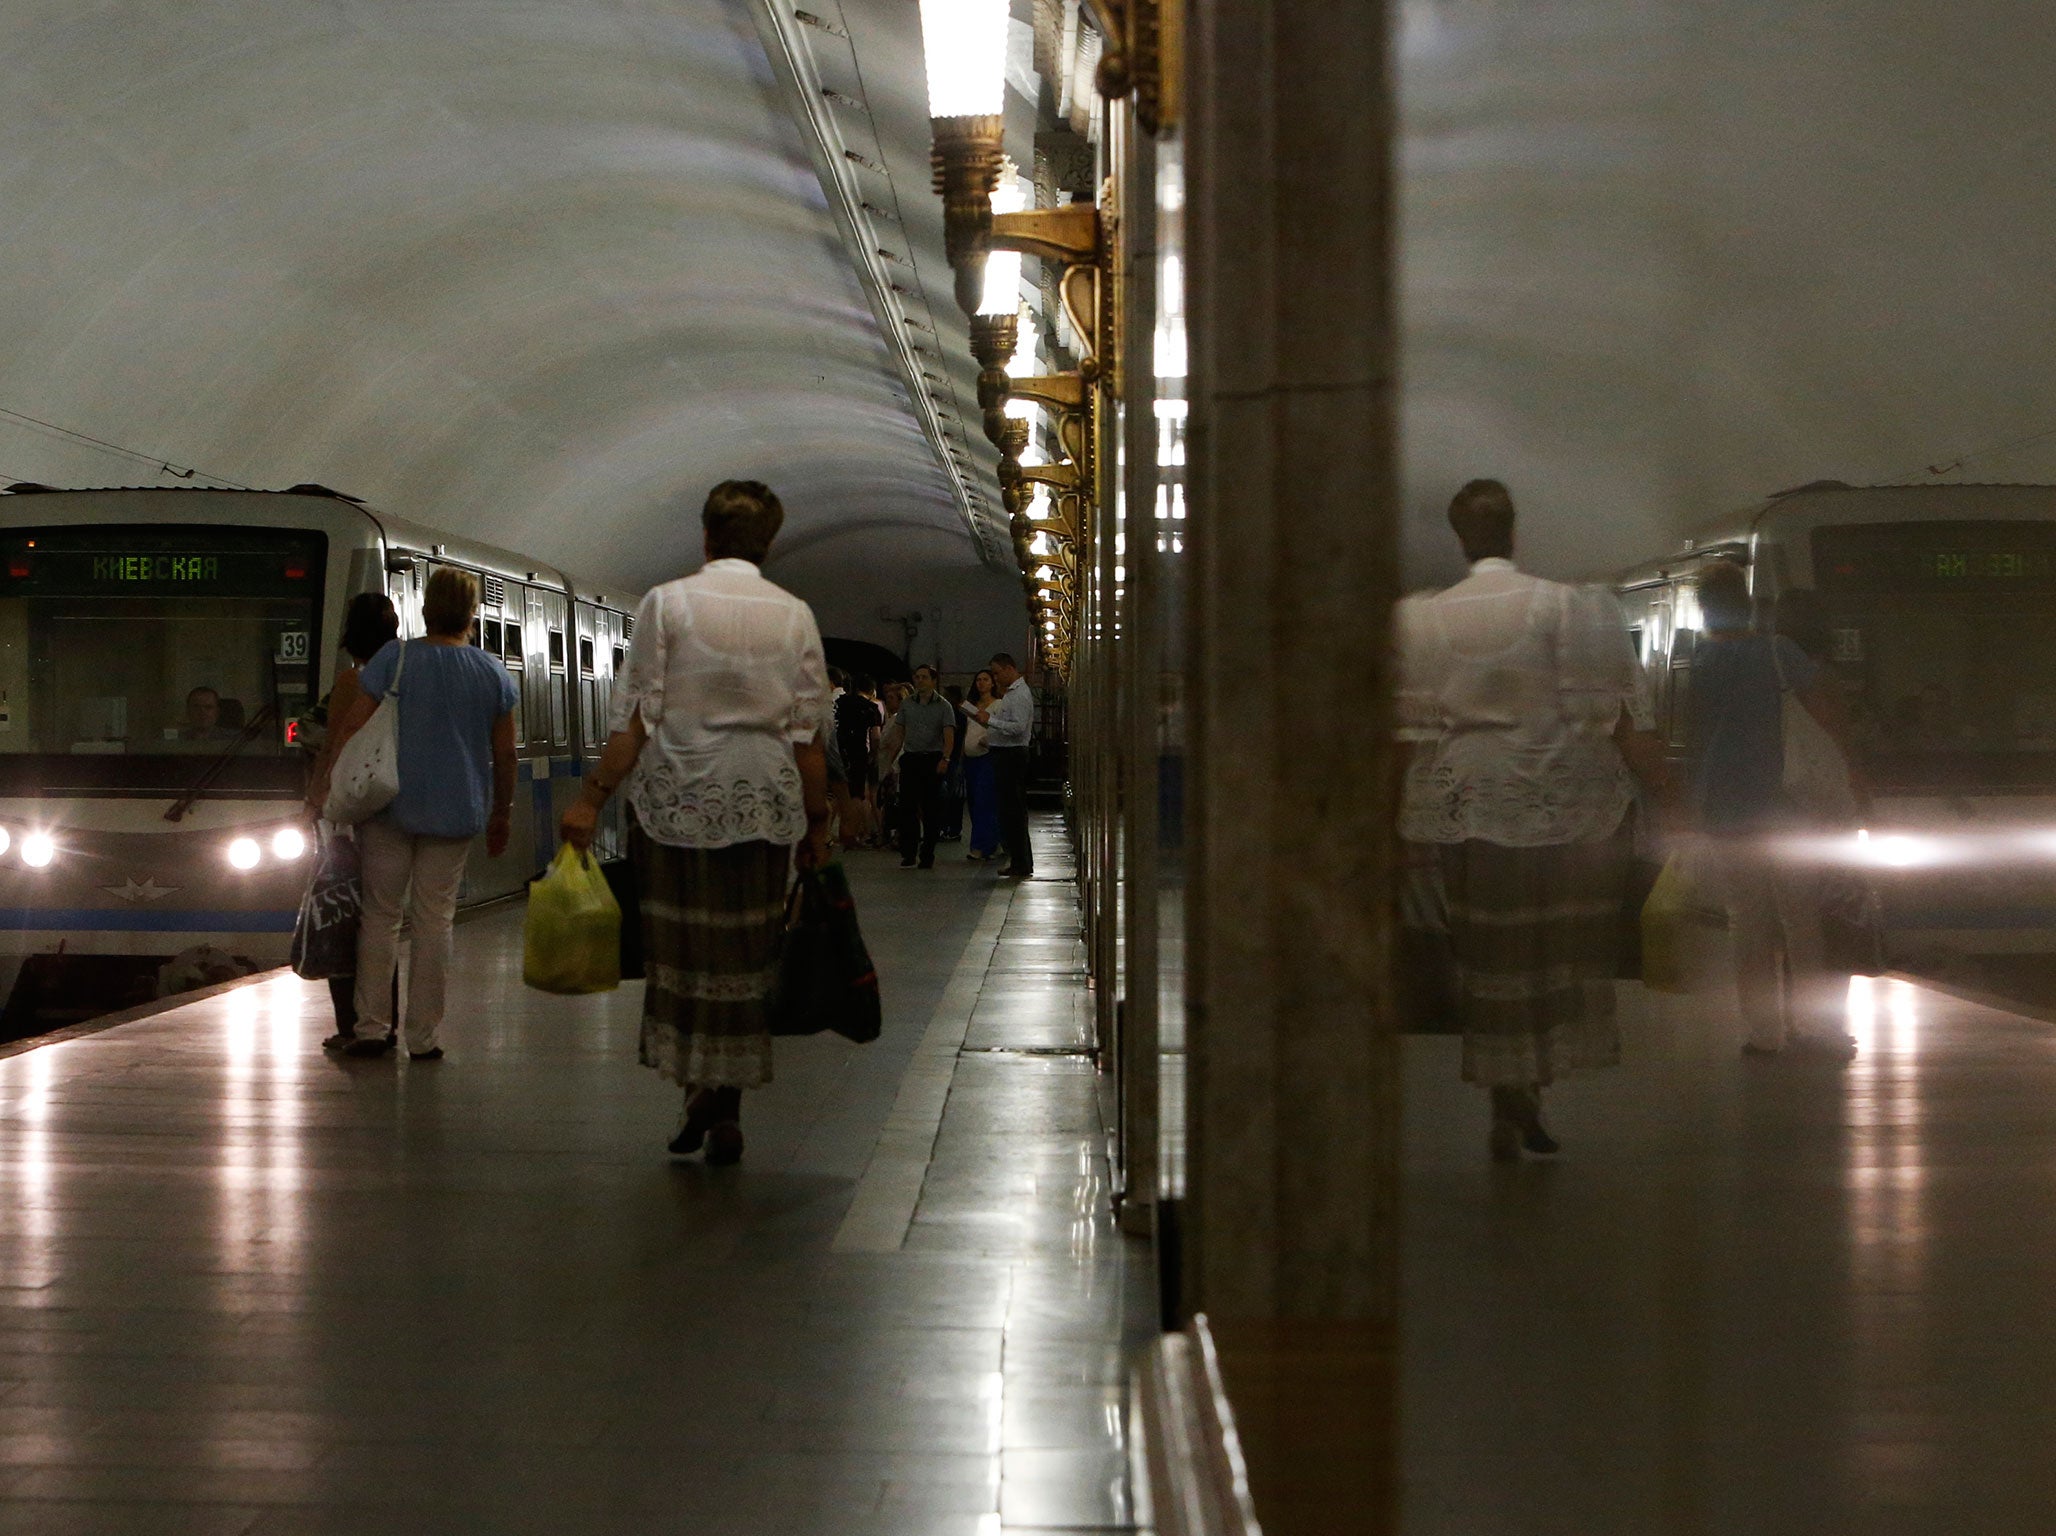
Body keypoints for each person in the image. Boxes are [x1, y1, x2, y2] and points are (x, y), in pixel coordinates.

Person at [559, 480, 831, 1165]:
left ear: (705, 537)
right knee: (745, 956)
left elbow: (636, 718)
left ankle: (696, 1094)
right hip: (765, 809)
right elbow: (808, 739)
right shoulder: (795, 615)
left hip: (676, 804)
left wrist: (592, 798)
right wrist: (819, 826)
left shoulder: (668, 603)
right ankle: (725, 1106)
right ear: (766, 544)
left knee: (683, 959)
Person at [1397, 479, 1662, 1160]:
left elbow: (1405, 737)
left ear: (1461, 540)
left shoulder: (1422, 620)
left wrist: (1385, 829)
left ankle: (1506, 1093)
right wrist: (1674, 794)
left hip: (1466, 809)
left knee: (1488, 958)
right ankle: (1530, 1090)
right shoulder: (1566, 609)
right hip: (1558, 810)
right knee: (1547, 956)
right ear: (1513, 531)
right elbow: (1617, 719)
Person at [314, 567, 518, 1062]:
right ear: (472, 613)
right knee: (435, 921)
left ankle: (370, 1027)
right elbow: (505, 753)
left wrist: (334, 785)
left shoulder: (394, 659)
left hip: (389, 808)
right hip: (456, 811)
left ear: (425, 608)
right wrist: (501, 813)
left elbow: (353, 726)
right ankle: (424, 1038)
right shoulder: (491, 671)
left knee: (381, 918)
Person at [1686, 560, 1861, 1060]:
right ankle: (1814, 1027)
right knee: (1801, 918)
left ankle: (1763, 1034)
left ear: (1705, 611)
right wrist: (1852, 767)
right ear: (1747, 603)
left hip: (1726, 810)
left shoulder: (1702, 662)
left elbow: (1699, 737)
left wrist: (1692, 804)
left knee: (1747, 922)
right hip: (1787, 808)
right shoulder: (1780, 651)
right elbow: (1822, 712)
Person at [304, 592, 401, 1049]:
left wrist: (316, 795)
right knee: (383, 918)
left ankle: (351, 1024)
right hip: (391, 806)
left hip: (345, 813)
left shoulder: (351, 683)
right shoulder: (405, 681)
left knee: (342, 914)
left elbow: (327, 739)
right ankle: (386, 1019)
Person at [964, 652, 1035, 877]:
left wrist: (990, 720)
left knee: (1013, 810)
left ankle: (1021, 862)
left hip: (1012, 756)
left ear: (1008, 669)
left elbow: (1018, 727)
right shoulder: (1010, 695)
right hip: (1003, 754)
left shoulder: (1020, 695)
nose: (994, 678)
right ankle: (1018, 859)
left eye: (995, 673)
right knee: (1007, 811)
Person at [894, 665, 957, 869]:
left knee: (931, 809)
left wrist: (945, 759)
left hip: (932, 760)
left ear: (932, 680)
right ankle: (909, 852)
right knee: (907, 807)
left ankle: (927, 852)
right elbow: (899, 733)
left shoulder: (944, 706)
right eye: (917, 677)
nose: (919, 680)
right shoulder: (907, 704)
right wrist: (892, 760)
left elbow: (949, 736)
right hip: (911, 758)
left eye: (924, 677)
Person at [834, 674, 880, 849]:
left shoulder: (839, 704)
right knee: (858, 794)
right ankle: (856, 834)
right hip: (858, 752)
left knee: (837, 792)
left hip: (838, 750)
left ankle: (840, 832)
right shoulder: (870, 707)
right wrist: (874, 755)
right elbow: (875, 737)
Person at [960, 669, 1000, 860]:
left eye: (985, 680)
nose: (981, 683)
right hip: (970, 757)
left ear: (992, 683)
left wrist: (989, 741)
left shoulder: (998, 705)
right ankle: (991, 841)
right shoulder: (971, 707)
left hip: (986, 757)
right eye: (978, 680)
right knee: (975, 801)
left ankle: (979, 846)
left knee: (984, 801)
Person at [938, 683, 968, 842]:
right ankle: (947, 827)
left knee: (952, 795)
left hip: (953, 758)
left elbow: (961, 739)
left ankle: (951, 827)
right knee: (949, 795)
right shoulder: (954, 714)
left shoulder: (958, 716)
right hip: (951, 757)